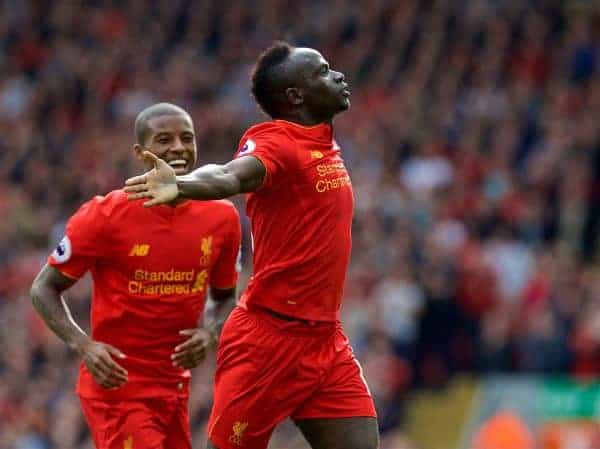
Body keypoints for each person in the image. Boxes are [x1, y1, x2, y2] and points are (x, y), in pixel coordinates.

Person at [124, 42, 379, 449]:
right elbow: (229, 175)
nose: (338, 76)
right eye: (324, 71)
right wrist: (182, 185)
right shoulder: (277, 142)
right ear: (296, 96)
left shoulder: (320, 141)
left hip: (325, 340)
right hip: (267, 340)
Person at [30, 103, 242, 449]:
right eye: (163, 139)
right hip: (118, 392)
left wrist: (210, 333)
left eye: (186, 138)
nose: (177, 147)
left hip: (175, 390)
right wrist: (82, 344)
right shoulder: (104, 215)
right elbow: (43, 288)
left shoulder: (222, 217)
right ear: (141, 153)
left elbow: (224, 298)